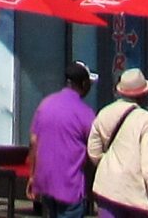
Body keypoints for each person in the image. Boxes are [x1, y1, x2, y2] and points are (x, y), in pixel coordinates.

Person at [87, 68, 148, 218]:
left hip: (107, 187)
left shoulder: (104, 113)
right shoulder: (147, 120)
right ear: (143, 94)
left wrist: (109, 164)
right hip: (136, 193)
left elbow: (93, 151)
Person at [30, 60, 96, 218]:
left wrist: (32, 176)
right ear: (84, 83)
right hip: (71, 186)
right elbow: (93, 151)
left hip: (46, 183)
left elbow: (34, 141)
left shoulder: (45, 105)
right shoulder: (86, 113)